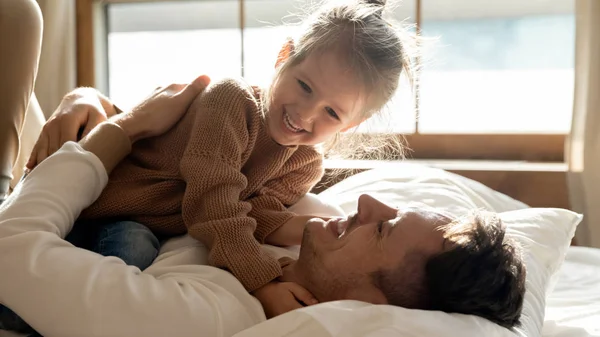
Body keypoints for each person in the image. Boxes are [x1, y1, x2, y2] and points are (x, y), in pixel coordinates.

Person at [0, 91, 526, 336]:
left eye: (385, 227)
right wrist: (90, 101)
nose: (365, 201)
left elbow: (11, 251)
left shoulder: (204, 316)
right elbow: (179, 162)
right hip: (69, 176)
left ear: (370, 302)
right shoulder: (311, 227)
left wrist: (121, 132)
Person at [14, 0, 417, 320]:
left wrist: (323, 231)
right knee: (131, 248)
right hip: (97, 203)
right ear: (284, 56)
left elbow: (256, 212)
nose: (306, 114)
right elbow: (214, 199)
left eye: (332, 113)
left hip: (145, 224)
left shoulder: (305, 164)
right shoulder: (233, 101)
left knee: (138, 247)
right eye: (305, 86)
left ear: (352, 124)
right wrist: (262, 281)